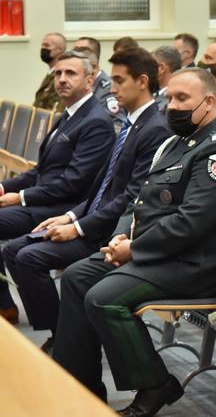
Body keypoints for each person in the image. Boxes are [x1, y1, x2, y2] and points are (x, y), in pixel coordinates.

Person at [51, 68, 216, 414]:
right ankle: (81, 386)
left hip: (194, 265)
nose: (172, 106)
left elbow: (191, 223)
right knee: (76, 276)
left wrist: (134, 249)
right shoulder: (175, 144)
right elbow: (139, 200)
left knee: (103, 299)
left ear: (209, 102)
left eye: (182, 98)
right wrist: (121, 234)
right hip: (157, 253)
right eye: (169, 97)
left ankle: (155, 386)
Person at [2, 48, 170, 352]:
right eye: (58, 73)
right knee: (16, 251)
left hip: (110, 230)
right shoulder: (129, 124)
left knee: (27, 257)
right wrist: (71, 217)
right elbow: (100, 187)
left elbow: (130, 197)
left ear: (143, 81)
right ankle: (61, 334)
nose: (112, 88)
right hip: (86, 214)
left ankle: (65, 340)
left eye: (118, 80)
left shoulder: (152, 129)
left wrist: (78, 226)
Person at [0, 52, 115, 323]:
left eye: (70, 73)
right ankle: (8, 306)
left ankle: (13, 310)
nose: (62, 79)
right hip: (45, 200)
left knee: (18, 250)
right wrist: (4, 187)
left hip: (64, 208)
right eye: (58, 73)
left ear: (90, 80)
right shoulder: (70, 114)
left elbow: (73, 184)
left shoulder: (96, 121)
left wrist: (20, 197)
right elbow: (40, 171)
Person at [73, 46, 127, 128]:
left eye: (73, 73)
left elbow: (117, 125)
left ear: (93, 68)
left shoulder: (107, 89)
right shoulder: (85, 87)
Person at [34, 32, 66, 111]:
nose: (43, 48)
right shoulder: (51, 72)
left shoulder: (61, 75)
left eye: (47, 45)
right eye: (42, 45)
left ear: (60, 50)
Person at [152, 45, 182, 112]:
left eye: (151, 65)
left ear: (161, 68)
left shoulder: (171, 101)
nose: (147, 70)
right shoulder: (155, 93)